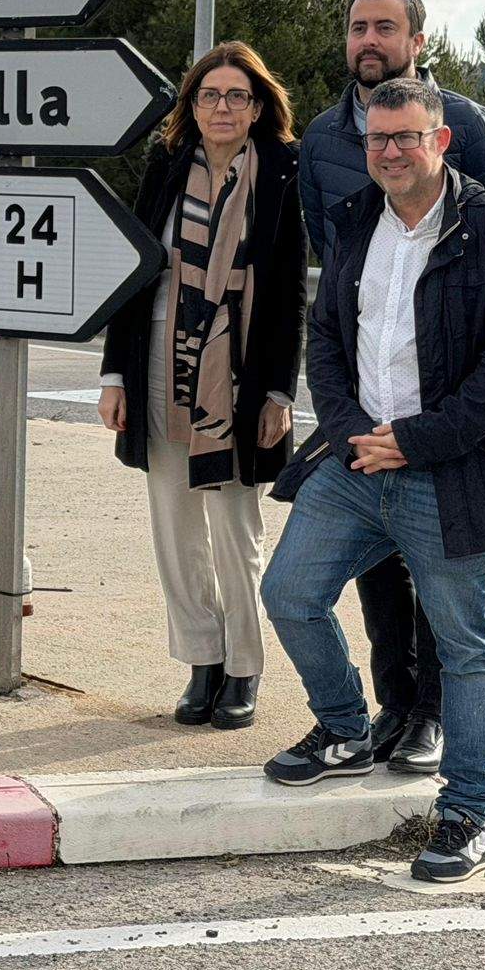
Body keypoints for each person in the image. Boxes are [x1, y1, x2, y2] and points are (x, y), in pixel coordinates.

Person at [260, 77, 485, 882]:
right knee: (290, 592)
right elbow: (326, 339)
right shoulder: (352, 222)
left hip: (449, 472)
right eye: (378, 139)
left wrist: (419, 442)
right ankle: (343, 727)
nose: (391, 151)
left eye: (407, 137)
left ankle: (468, 811)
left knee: (467, 648)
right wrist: (347, 434)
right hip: (357, 460)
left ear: (441, 141)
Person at [297, 0, 485, 777]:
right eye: (358, 27)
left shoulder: (471, 129)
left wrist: (434, 432)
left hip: (447, 427)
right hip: (363, 424)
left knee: (457, 618)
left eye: (385, 28)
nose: (370, 39)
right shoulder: (329, 139)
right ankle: (379, 715)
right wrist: (348, 428)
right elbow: (328, 310)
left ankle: (441, 742)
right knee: (360, 584)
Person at [98, 42, 305, 731]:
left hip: (241, 369)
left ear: (258, 107)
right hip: (158, 358)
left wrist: (280, 392)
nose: (222, 107)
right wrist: (115, 374)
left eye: (236, 96)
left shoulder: (281, 171)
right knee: (174, 525)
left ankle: (244, 668)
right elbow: (131, 272)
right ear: (191, 105)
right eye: (210, 95)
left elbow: (287, 295)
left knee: (233, 530)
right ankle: (202, 661)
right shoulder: (164, 167)